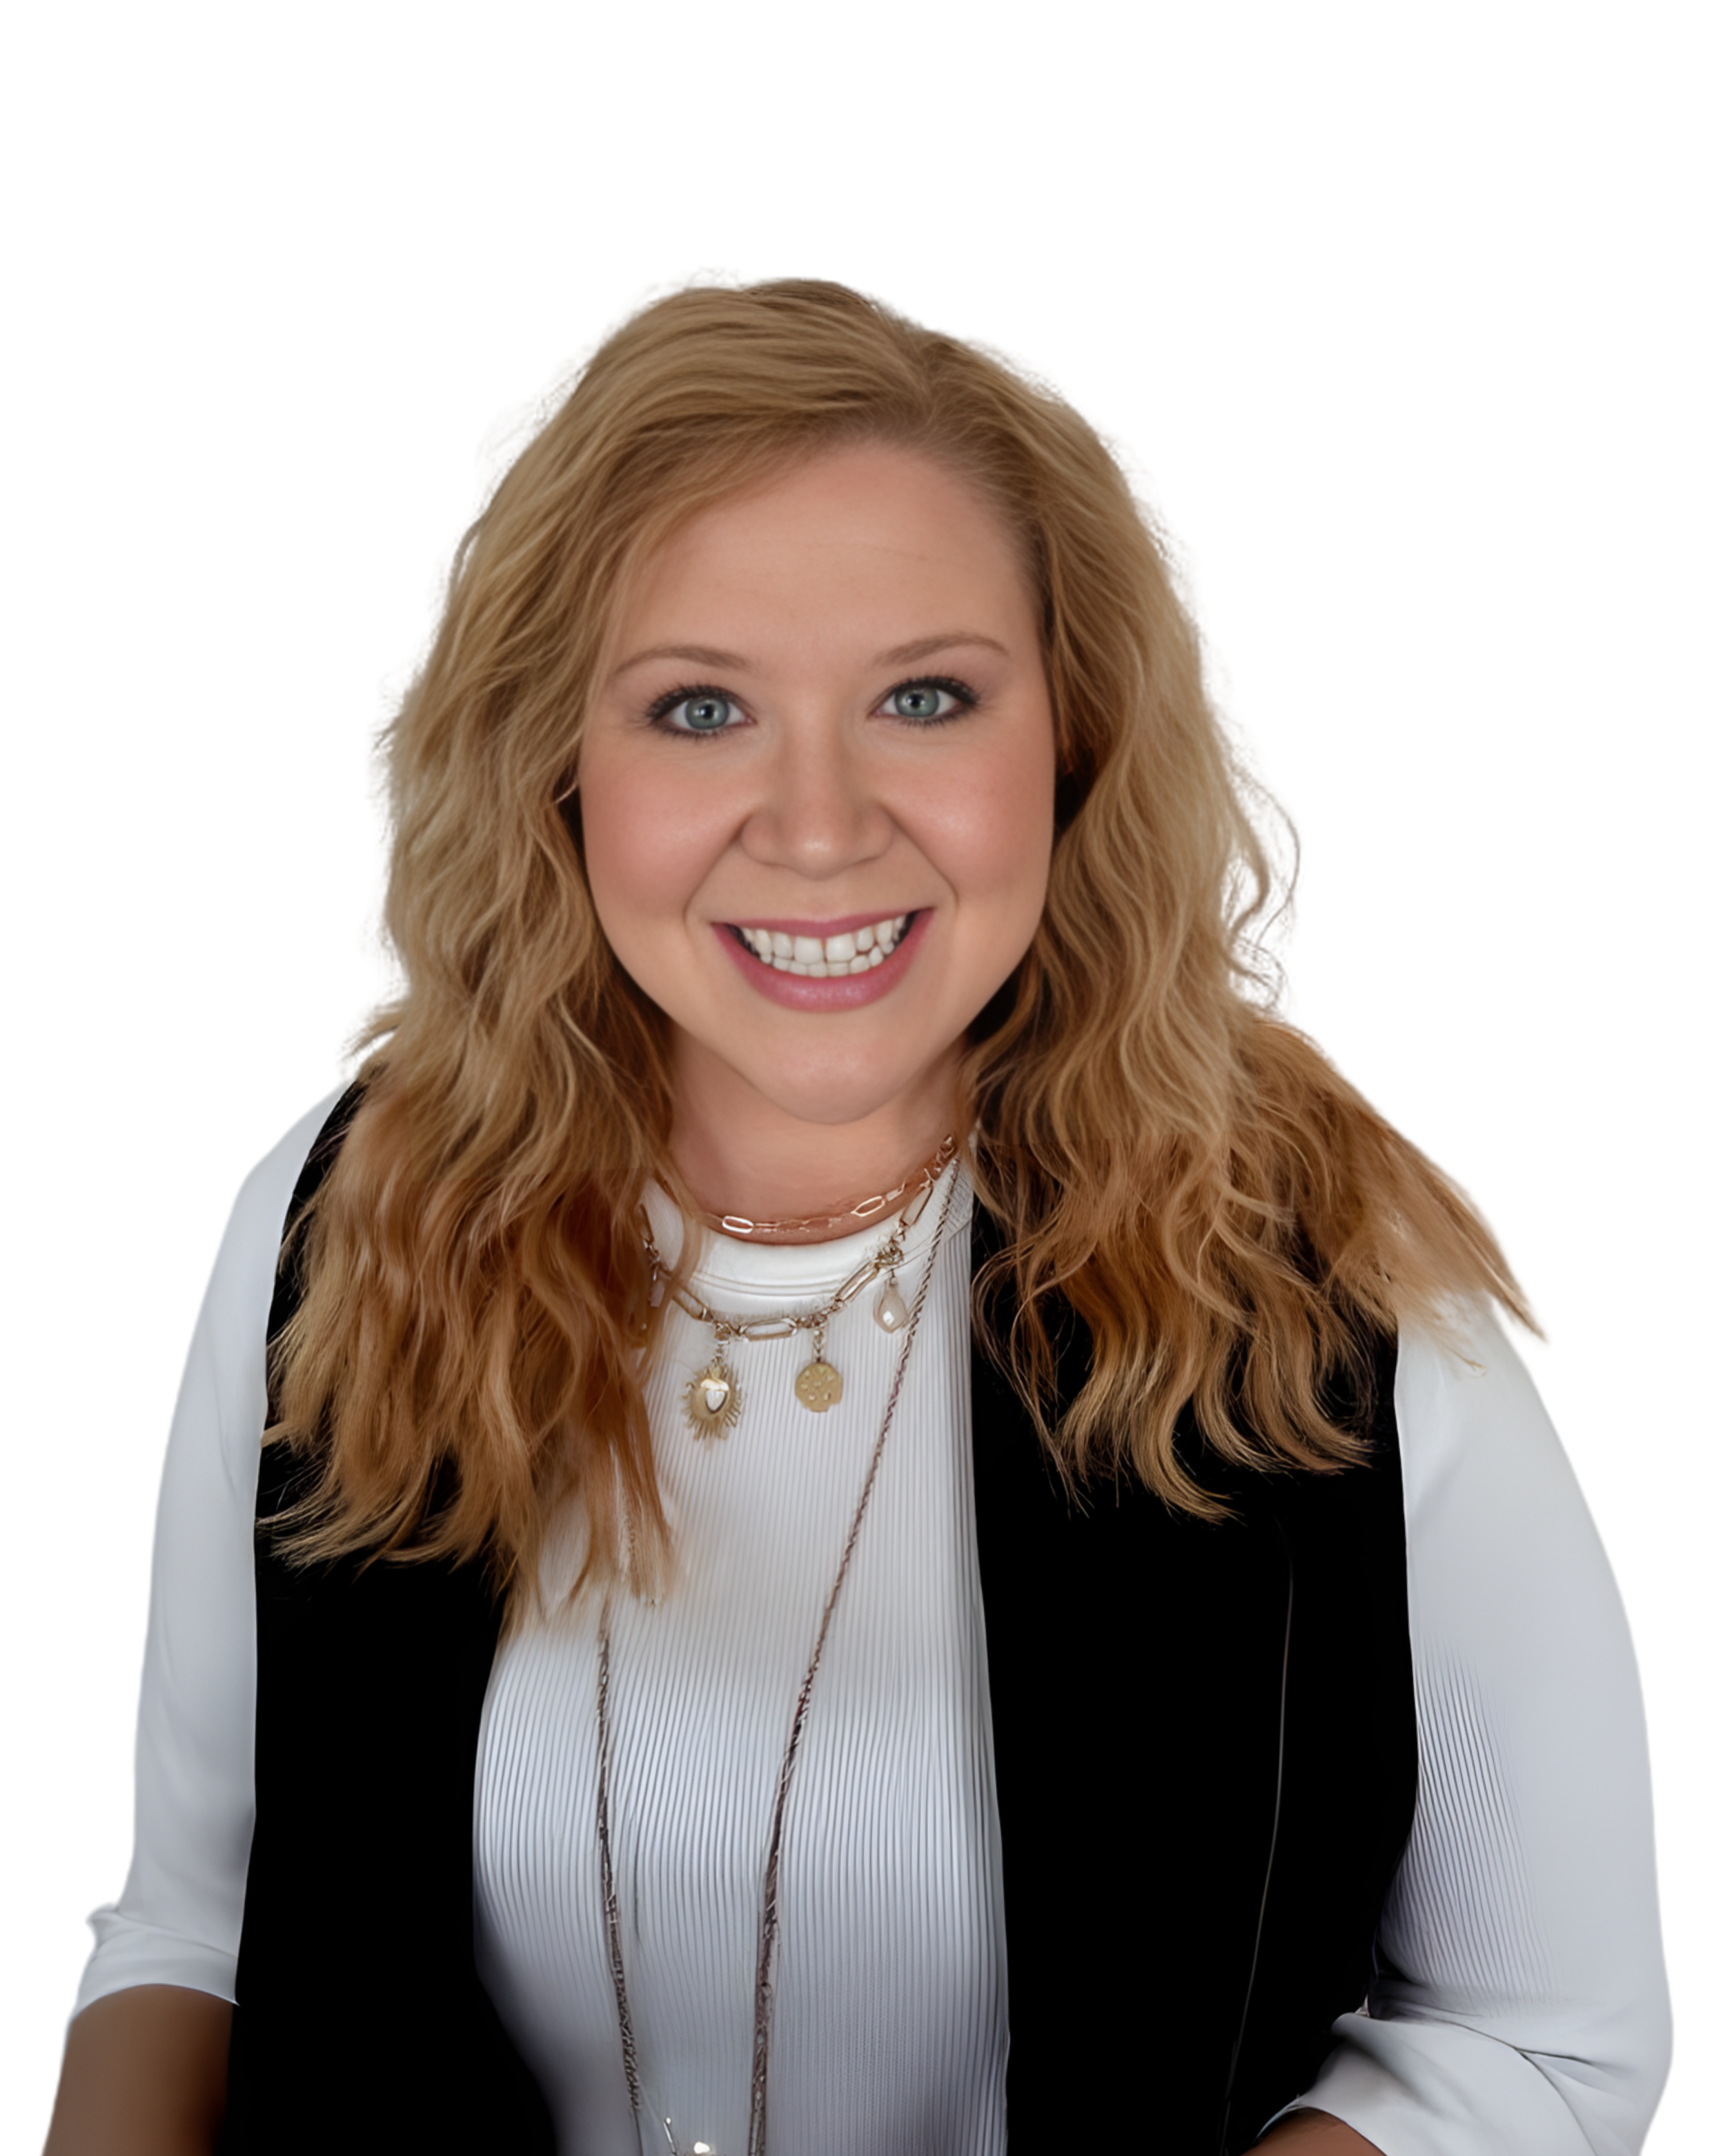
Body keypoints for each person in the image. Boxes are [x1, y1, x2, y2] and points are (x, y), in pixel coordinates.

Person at [44, 279, 1669, 2156]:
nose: (815, 824)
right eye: (700, 707)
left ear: (1071, 735)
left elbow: (1540, 2042)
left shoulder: (1323, 1285)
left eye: (922, 696)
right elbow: (195, 1932)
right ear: (556, 765)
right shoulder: (350, 1222)